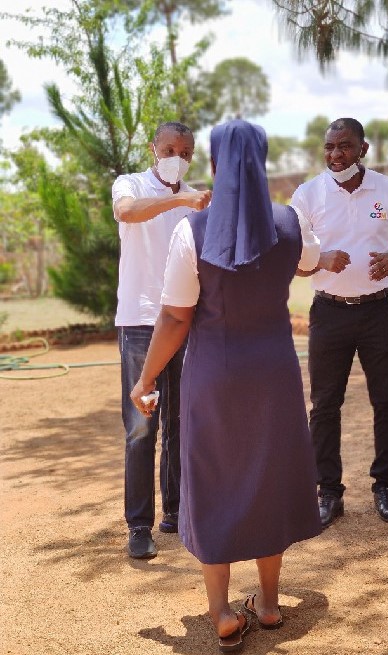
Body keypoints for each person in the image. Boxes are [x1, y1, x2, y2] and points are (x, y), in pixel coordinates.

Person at [130, 119, 322, 652]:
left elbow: (173, 318)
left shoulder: (192, 231)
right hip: (275, 374)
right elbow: (310, 262)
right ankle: (268, 602)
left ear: (213, 165)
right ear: (260, 164)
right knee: (269, 474)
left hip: (214, 375)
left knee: (214, 479)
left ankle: (219, 611)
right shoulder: (290, 221)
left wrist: (145, 379)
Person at [291, 118, 388, 529]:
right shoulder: (307, 195)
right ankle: (328, 492)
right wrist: (319, 261)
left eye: (344, 147)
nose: (335, 155)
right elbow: (293, 259)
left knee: (387, 401)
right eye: (329, 147)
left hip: (380, 311)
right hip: (329, 312)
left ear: (363, 149)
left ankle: (385, 487)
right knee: (325, 404)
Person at [113, 121, 211, 559]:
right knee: (141, 426)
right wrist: (179, 198)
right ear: (154, 148)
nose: (178, 156)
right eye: (170, 148)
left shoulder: (196, 201)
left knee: (179, 422)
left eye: (186, 150)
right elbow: (128, 213)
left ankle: (175, 510)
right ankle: (139, 525)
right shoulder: (130, 184)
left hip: (183, 324)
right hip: (139, 322)